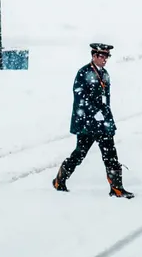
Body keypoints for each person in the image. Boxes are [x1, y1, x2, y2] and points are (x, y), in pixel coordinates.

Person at [52, 43, 135, 198]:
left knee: (110, 152)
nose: (105, 60)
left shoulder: (105, 74)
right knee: (80, 153)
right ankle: (59, 180)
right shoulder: (84, 73)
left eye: (107, 57)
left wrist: (106, 116)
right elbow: (79, 96)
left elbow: (106, 99)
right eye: (102, 56)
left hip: (103, 122)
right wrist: (93, 112)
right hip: (87, 123)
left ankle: (117, 188)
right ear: (94, 56)